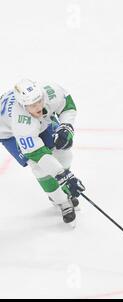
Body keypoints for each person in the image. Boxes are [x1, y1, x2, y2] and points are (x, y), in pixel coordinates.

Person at [0, 79, 85, 225]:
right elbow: (37, 154)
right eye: (32, 105)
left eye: (39, 101)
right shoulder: (21, 124)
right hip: (9, 133)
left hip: (37, 123)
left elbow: (68, 106)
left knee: (63, 150)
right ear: (23, 105)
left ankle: (63, 187)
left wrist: (66, 126)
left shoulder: (51, 91)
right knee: (39, 168)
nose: (38, 106)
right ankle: (61, 201)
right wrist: (61, 175)